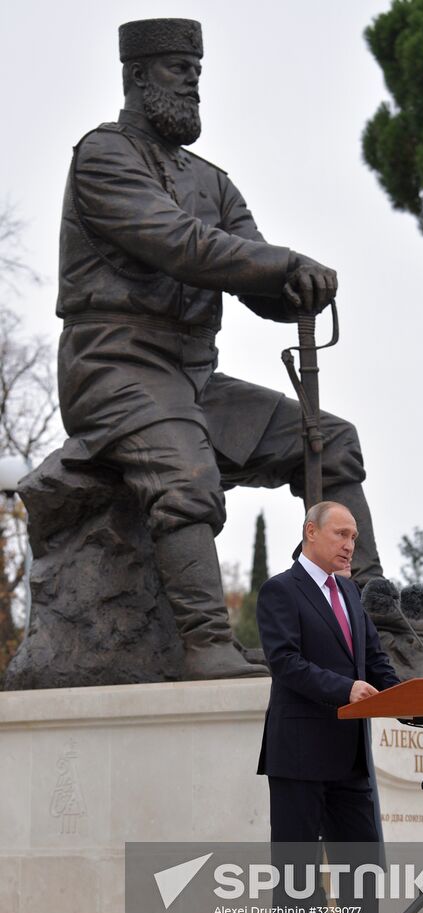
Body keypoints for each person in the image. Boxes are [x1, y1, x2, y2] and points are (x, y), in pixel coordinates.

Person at [56, 17, 386, 681]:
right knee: (185, 473)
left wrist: (293, 289)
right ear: (136, 75)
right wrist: (284, 261)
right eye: (178, 69)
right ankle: (207, 644)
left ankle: (372, 607)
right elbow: (183, 245)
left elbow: (249, 271)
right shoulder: (103, 155)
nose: (193, 82)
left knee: (331, 440)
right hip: (114, 365)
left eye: (197, 71)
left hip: (195, 377)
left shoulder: (213, 182)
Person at [256, 501, 423, 913]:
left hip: (350, 752)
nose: (351, 545)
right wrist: (344, 689)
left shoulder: (350, 592)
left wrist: (411, 701)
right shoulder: (280, 590)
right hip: (299, 750)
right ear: (310, 531)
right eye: (341, 534)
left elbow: (374, 661)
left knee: (361, 859)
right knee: (297, 861)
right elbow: (285, 662)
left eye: (354, 537)